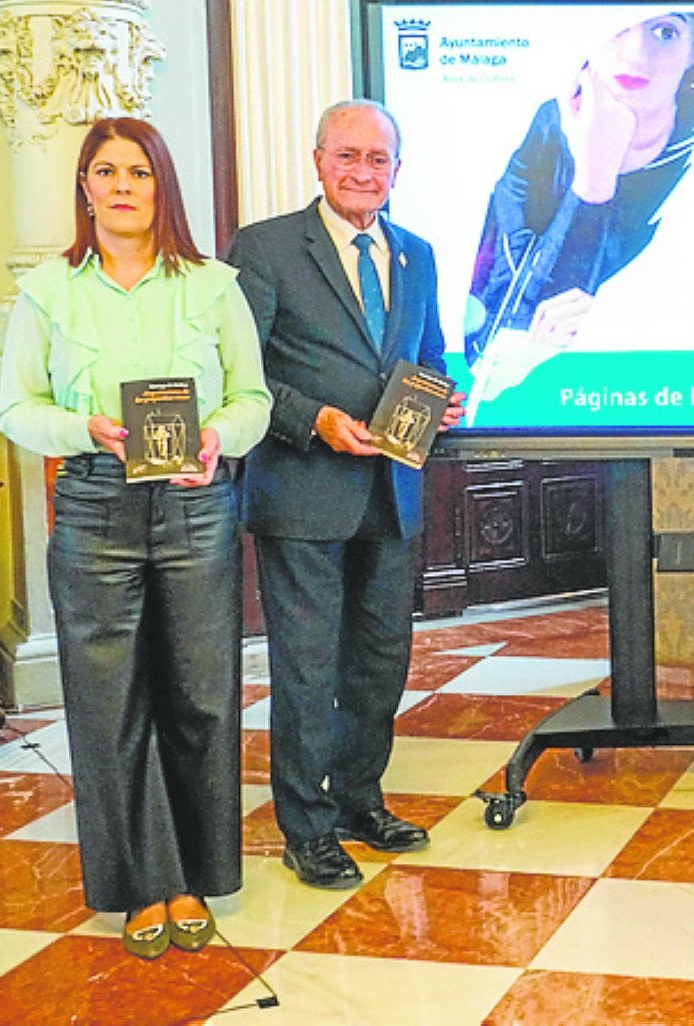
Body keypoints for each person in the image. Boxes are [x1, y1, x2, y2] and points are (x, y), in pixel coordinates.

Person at [0, 117, 271, 959]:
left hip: (194, 506)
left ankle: (196, 876)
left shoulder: (213, 286)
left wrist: (220, 437)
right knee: (108, 702)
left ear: (162, 187)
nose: (122, 186)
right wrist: (84, 429)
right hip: (94, 507)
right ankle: (141, 884)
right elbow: (17, 409)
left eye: (139, 172)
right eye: (107, 171)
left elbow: (252, 398)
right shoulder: (49, 292)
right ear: (85, 187)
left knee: (200, 694)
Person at [225, 99, 462, 889]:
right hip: (301, 492)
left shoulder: (417, 254)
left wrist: (442, 398)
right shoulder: (264, 248)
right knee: (306, 668)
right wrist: (313, 420)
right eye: (348, 156)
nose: (364, 172)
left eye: (378, 159)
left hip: (390, 493)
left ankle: (361, 800)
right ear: (319, 161)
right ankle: (308, 829)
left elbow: (428, 356)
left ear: (398, 169)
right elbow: (241, 373)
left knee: (380, 662)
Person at [463, 10, 694, 412]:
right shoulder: (545, 129)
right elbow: (496, 338)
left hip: (692, 398)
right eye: (618, 24)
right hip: (549, 413)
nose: (635, 55)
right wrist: (593, 182)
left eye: (665, 31)